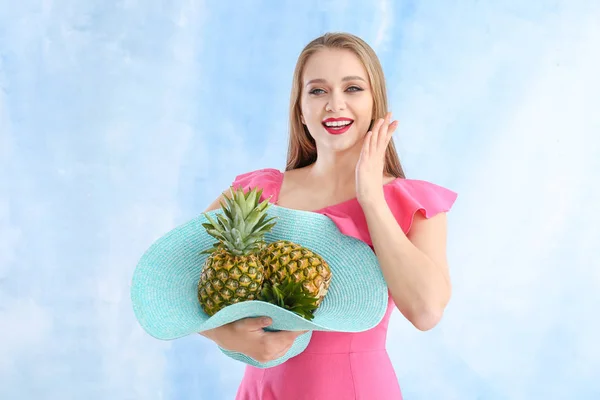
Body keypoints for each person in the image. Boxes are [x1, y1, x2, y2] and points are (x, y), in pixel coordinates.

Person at [199, 32, 457, 400]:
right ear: (300, 109)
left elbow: (426, 312)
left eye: (352, 88)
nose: (335, 104)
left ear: (374, 102)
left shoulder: (412, 202)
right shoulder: (255, 195)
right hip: (260, 391)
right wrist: (223, 333)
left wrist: (371, 197)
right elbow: (174, 281)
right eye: (317, 91)